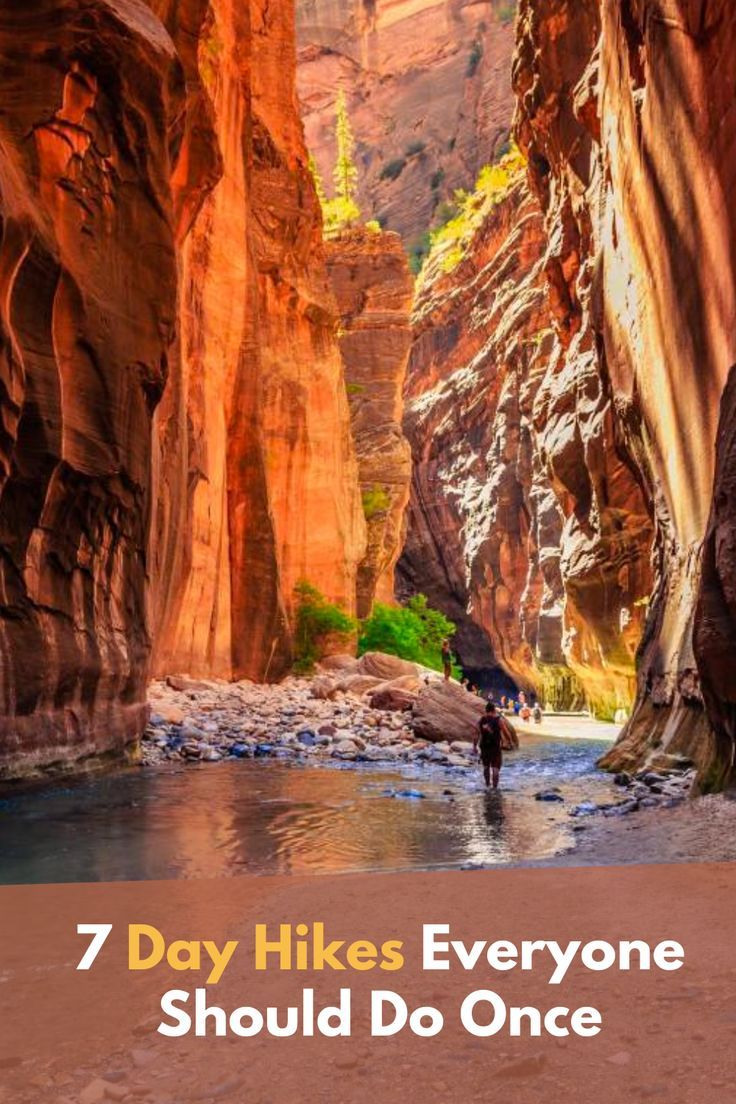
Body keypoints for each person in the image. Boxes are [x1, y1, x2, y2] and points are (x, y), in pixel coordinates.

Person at [474, 701, 504, 789]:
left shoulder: (481, 720)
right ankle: (495, 788)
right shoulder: (498, 719)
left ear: (486, 710)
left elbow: (476, 734)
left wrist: (474, 746)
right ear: (494, 710)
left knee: (486, 767)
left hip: (484, 747)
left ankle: (487, 785)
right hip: (495, 747)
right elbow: (504, 731)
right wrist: (506, 741)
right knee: (495, 769)